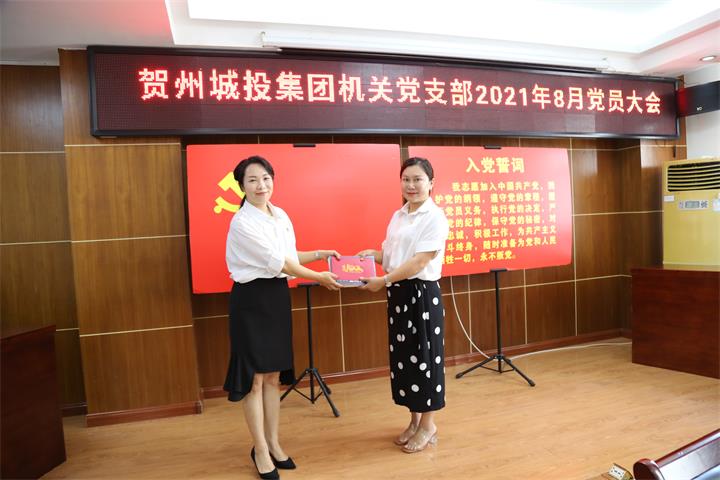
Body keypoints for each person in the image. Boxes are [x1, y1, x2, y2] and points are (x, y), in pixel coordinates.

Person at [224, 155, 342, 479]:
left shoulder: (280, 214)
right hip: (251, 301)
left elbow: (290, 256)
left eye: (265, 178)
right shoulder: (242, 223)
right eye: (252, 180)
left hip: (276, 298)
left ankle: (274, 443)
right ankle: (260, 449)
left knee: (273, 377)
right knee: (254, 379)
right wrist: (319, 277)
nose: (261, 185)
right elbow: (282, 263)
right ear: (242, 185)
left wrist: (320, 254)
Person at [358, 156, 449, 454]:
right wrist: (370, 257)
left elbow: (419, 262)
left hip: (421, 294)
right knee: (407, 362)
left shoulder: (435, 217)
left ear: (431, 183)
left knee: (426, 359)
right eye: (406, 179)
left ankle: (429, 425)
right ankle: (414, 421)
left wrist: (383, 281)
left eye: (418, 179)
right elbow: (392, 256)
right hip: (398, 294)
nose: (411, 185)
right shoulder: (398, 215)